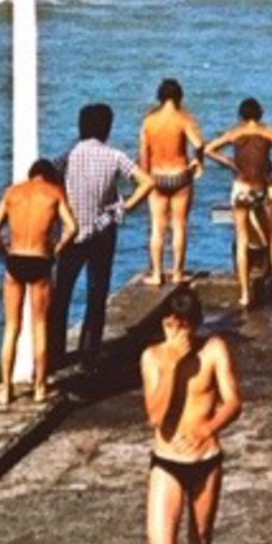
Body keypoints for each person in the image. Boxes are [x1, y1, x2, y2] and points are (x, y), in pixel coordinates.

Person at [141, 287, 242, 544]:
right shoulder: (152, 357)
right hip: (166, 462)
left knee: (200, 541)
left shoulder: (213, 350)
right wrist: (171, 364)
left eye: (183, 326)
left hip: (205, 460)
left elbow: (233, 402)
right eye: (170, 325)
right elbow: (155, 414)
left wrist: (208, 428)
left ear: (194, 325)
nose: (176, 333)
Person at [51, 104, 154, 372]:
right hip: (103, 230)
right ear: (107, 128)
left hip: (72, 232)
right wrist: (127, 206)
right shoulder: (114, 156)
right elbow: (148, 182)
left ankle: (54, 353)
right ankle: (89, 355)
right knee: (97, 294)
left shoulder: (68, 156)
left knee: (61, 295)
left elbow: (50, 185)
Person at [0, 159, 76, 404]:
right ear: (48, 176)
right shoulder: (54, 193)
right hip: (40, 260)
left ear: (32, 174)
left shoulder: (12, 193)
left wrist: (3, 255)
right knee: (39, 326)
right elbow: (73, 227)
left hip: (15, 260)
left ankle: (6, 389)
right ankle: (39, 388)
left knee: (11, 327)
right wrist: (56, 249)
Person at [203, 98, 272, 310]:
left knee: (242, 240)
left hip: (241, 187)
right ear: (260, 113)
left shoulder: (235, 133)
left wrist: (230, 164)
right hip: (261, 187)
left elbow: (209, 149)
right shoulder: (269, 133)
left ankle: (245, 294)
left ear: (241, 115)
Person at [139, 78, 205, 286]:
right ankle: (177, 273)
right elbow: (199, 144)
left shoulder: (149, 121)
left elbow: (144, 154)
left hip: (156, 176)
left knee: (157, 227)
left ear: (160, 96)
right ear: (179, 97)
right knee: (179, 226)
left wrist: (145, 178)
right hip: (180, 175)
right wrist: (198, 162)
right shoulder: (182, 119)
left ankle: (157, 274)